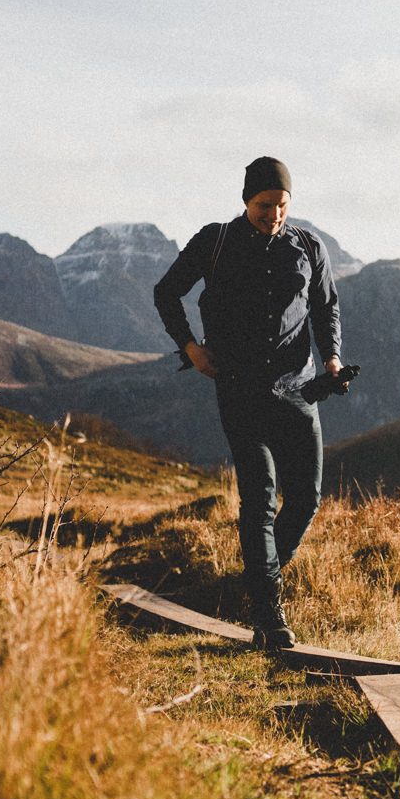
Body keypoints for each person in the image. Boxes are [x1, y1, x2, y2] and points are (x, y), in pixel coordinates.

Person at [152, 156, 343, 648]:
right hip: (239, 389)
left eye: (281, 205)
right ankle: (268, 613)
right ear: (245, 200)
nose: (273, 215)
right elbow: (167, 292)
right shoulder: (215, 241)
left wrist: (334, 360)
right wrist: (190, 348)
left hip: (299, 389)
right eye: (264, 205)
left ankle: (259, 582)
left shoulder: (308, 246)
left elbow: (325, 308)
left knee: (306, 497)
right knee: (258, 499)